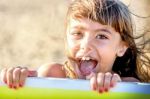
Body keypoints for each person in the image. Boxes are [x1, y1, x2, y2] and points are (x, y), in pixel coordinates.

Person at [1, 0, 150, 93]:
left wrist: (117, 89)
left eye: (101, 36)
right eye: (78, 33)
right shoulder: (52, 74)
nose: (85, 45)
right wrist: (15, 79)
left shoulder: (129, 85)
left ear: (122, 47)